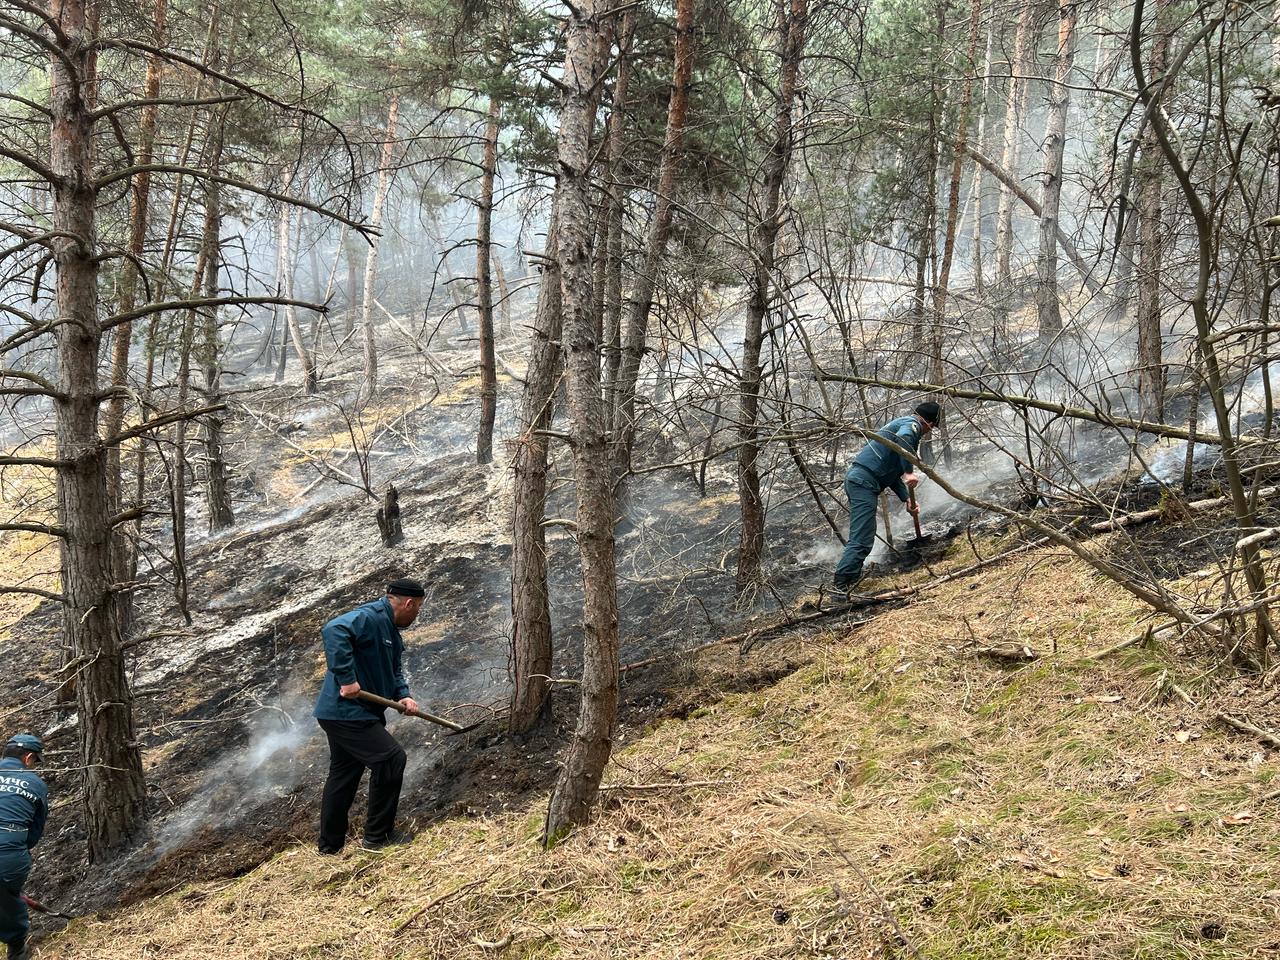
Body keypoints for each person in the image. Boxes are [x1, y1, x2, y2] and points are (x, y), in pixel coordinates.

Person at [314, 578, 425, 854]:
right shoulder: (369, 617)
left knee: (343, 775)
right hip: (347, 712)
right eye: (419, 608)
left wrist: (404, 694)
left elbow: (394, 669)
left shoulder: (390, 632)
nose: (418, 614)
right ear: (408, 603)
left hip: (350, 713)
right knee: (390, 759)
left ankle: (329, 848)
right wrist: (347, 678)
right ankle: (378, 836)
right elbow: (333, 630)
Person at [833, 401, 940, 592]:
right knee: (862, 538)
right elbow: (903, 438)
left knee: (863, 536)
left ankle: (850, 580)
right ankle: (841, 586)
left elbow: (890, 473)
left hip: (863, 480)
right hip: (863, 482)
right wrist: (908, 471)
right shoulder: (912, 426)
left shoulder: (903, 424)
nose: (928, 432)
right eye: (930, 428)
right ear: (928, 423)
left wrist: (906, 498)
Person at [0, 734, 48, 960]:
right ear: (28, 758)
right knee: (6, 895)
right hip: (9, 856)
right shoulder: (36, 784)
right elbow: (34, 832)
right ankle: (17, 947)